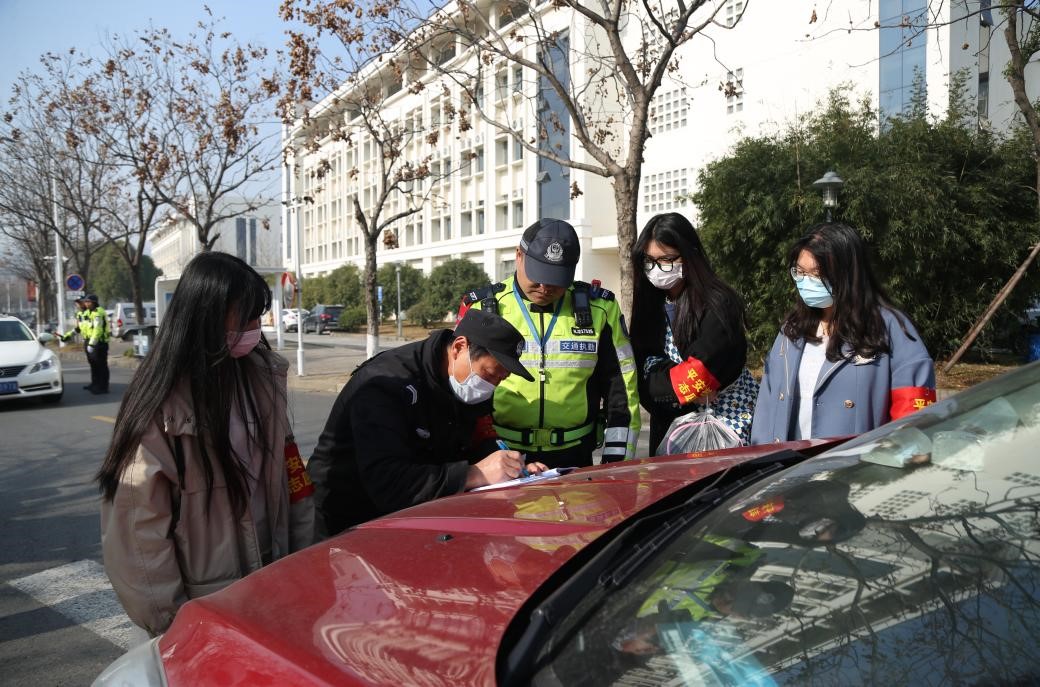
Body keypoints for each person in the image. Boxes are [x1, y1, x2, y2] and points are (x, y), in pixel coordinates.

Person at [96, 252, 315, 636]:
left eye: (257, 316)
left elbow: (293, 481)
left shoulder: (263, 381)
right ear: (206, 316)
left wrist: (306, 564)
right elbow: (138, 531)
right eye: (244, 316)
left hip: (274, 581)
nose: (254, 328)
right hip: (203, 606)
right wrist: (174, 626)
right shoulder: (161, 404)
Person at [308, 308, 547, 536]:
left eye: (501, 379)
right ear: (459, 347)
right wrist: (474, 474)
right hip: (346, 520)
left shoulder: (467, 384)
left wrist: (512, 468)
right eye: (491, 374)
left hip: (413, 516)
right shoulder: (386, 384)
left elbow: (478, 437)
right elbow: (388, 483)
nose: (493, 386)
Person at [458, 218, 640, 467]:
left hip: (575, 457)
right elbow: (461, 389)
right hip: (499, 455)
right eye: (538, 274)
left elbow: (622, 388)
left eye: (556, 278)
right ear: (519, 256)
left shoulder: (600, 309)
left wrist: (616, 463)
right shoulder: (482, 307)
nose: (545, 287)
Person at [751, 223, 936, 444]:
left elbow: (913, 416)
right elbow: (767, 406)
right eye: (800, 272)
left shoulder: (888, 328)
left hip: (855, 462)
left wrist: (901, 456)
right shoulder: (791, 331)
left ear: (847, 274)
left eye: (817, 274)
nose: (806, 282)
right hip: (788, 461)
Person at [629, 213, 757, 453]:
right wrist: (671, 383)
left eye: (666, 260)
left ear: (689, 256)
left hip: (723, 423)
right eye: (649, 261)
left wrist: (656, 373)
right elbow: (636, 368)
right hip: (669, 428)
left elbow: (698, 373)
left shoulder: (718, 303)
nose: (657, 269)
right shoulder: (650, 303)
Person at [61, 294, 110, 393]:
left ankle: (103, 387)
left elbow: (97, 329)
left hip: (98, 342)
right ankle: (95, 383)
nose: (80, 304)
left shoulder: (98, 312)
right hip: (88, 340)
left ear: (93, 302)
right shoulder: (85, 313)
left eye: (82, 302)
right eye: (77, 303)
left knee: (101, 365)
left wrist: (92, 344)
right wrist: (68, 336)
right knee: (93, 364)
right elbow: (79, 328)